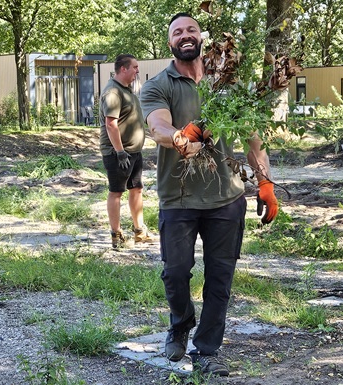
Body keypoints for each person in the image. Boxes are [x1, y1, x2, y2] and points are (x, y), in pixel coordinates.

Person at [139, 13, 279, 376]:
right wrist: (180, 137)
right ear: (169, 42)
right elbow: (157, 127)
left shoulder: (227, 85)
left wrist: (265, 183)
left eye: (191, 30)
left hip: (227, 199)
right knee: (175, 272)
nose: (185, 36)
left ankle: (207, 352)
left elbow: (253, 140)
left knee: (220, 278)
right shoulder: (157, 85)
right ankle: (181, 323)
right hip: (179, 197)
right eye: (177, 32)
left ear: (202, 37)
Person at [99, 54, 155, 248]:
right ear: (123, 69)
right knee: (116, 192)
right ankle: (116, 235)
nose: (137, 71)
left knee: (137, 189)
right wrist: (120, 151)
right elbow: (111, 124)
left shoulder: (127, 89)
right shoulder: (113, 92)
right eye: (135, 67)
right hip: (119, 154)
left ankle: (139, 231)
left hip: (134, 151)